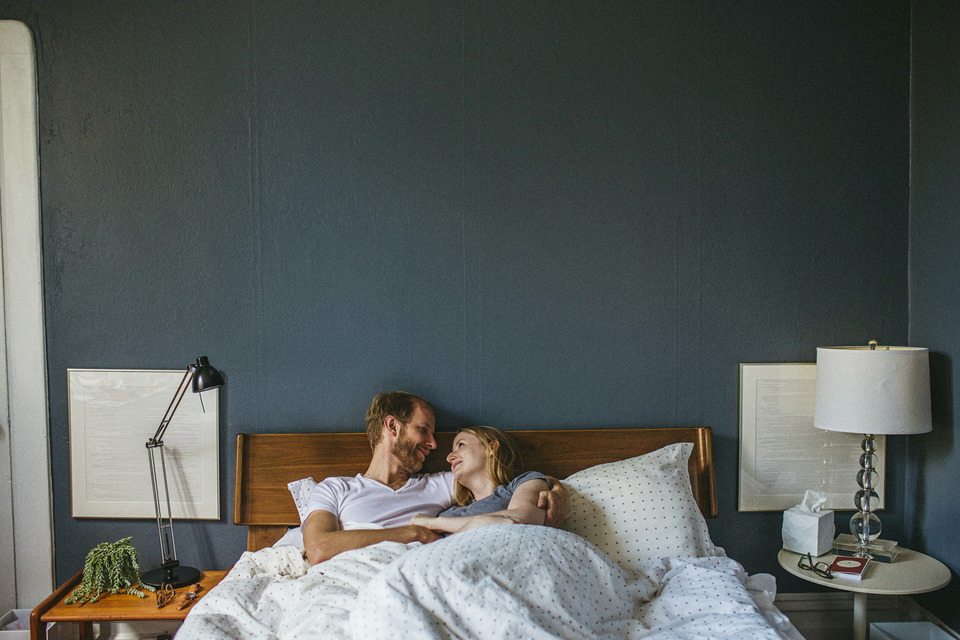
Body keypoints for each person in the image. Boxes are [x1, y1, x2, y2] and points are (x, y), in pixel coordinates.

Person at [301, 391, 566, 565]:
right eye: (423, 430)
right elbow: (319, 548)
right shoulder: (335, 488)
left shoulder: (441, 484)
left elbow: (500, 479)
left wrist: (556, 489)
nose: (434, 444)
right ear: (393, 426)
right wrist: (412, 532)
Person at [409, 426, 551, 535]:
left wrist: (436, 523)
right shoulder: (449, 514)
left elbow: (522, 519)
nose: (450, 457)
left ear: (491, 447)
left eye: (461, 445)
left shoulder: (522, 483)